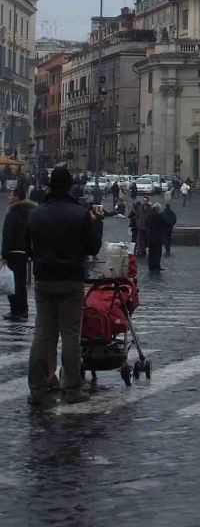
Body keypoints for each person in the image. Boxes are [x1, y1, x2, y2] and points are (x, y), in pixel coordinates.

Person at [27, 166, 103, 406]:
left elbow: (30, 248)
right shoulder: (79, 214)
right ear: (70, 186)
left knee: (42, 334)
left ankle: (38, 388)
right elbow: (93, 248)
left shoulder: (36, 214)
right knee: (71, 335)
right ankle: (72, 388)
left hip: (44, 280)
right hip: (70, 280)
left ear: (50, 186)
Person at [1, 185, 35, 321]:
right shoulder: (28, 213)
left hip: (13, 252)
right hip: (23, 253)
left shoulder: (12, 214)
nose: (9, 197)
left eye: (11, 195)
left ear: (16, 197)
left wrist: (4, 254)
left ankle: (16, 311)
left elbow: (7, 235)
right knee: (20, 283)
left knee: (12, 284)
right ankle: (23, 310)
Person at [145, 203, 166, 272]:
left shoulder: (148, 215)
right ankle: (156, 266)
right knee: (157, 252)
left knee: (151, 252)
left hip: (150, 236)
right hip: (158, 237)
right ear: (158, 208)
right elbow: (164, 224)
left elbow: (146, 223)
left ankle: (150, 266)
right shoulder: (159, 216)